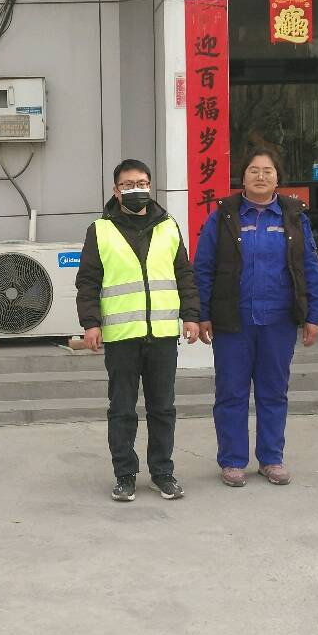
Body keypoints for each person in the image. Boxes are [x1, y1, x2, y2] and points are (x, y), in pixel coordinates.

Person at [193, 147, 318, 487]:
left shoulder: (293, 217)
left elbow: (309, 267)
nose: (261, 176)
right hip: (233, 321)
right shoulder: (224, 217)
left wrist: (313, 314)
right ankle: (233, 460)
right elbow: (204, 268)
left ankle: (271, 458)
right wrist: (202, 313)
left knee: (273, 392)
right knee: (231, 393)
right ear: (243, 176)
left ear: (278, 178)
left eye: (268, 171)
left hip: (278, 321)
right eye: (254, 170)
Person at [76, 159, 201, 503]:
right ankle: (125, 475)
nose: (136, 189)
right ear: (116, 191)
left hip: (162, 335)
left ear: (150, 186)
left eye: (142, 183)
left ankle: (162, 473)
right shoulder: (100, 230)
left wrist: (191, 316)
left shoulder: (168, 226)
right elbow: (88, 281)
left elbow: (184, 275)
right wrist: (90, 323)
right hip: (122, 336)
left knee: (163, 408)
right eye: (128, 185)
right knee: (122, 410)